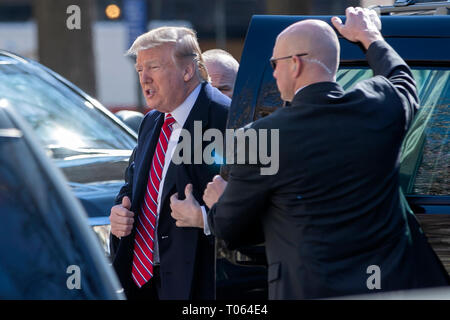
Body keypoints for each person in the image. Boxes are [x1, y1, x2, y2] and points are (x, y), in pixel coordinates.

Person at [170, 7, 450, 299]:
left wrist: (217, 206)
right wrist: (370, 37)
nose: (274, 72)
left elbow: (231, 229)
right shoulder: (379, 107)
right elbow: (403, 82)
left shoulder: (259, 137)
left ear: (295, 64)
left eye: (275, 63)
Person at [109, 26, 229, 300]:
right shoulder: (151, 121)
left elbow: (249, 208)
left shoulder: (225, 119)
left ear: (187, 71)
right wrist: (119, 213)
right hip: (140, 282)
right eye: (139, 69)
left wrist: (204, 219)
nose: (144, 78)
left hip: (196, 285)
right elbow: (132, 186)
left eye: (153, 66)